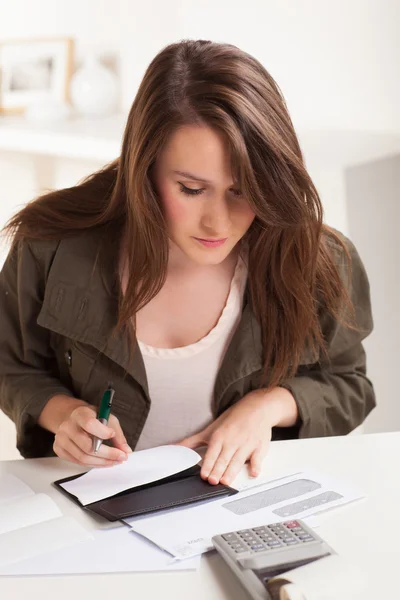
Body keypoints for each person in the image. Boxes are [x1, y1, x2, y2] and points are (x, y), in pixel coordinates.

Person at [0, 39, 375, 487]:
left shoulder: (318, 261)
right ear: (145, 170)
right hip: (91, 516)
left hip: (243, 514)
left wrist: (266, 406)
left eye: (243, 191)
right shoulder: (52, 244)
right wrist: (63, 415)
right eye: (192, 190)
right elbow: (11, 365)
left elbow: (349, 384)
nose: (218, 221)